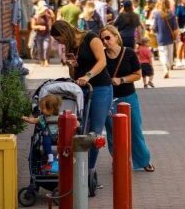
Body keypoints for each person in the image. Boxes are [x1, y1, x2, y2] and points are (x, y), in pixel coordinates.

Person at [50, 20, 112, 180]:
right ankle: (79, 169)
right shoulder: (71, 47)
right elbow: (73, 75)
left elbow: (102, 61)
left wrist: (88, 76)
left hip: (100, 88)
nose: (60, 43)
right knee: (80, 128)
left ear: (65, 32)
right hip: (81, 90)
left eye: (59, 39)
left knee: (94, 130)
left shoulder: (91, 38)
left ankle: (89, 170)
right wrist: (72, 66)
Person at [101, 25, 154, 172]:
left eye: (108, 37)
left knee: (135, 129)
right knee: (112, 132)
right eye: (102, 39)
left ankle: (143, 160)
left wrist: (122, 79)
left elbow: (138, 74)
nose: (105, 41)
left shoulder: (129, 53)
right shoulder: (101, 56)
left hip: (128, 96)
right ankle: (118, 161)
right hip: (109, 98)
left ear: (116, 37)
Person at [22, 94, 61, 173]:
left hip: (58, 136)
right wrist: (26, 119)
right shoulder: (42, 117)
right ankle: (50, 156)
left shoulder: (60, 117)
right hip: (48, 136)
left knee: (63, 140)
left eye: (44, 108)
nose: (42, 110)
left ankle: (59, 156)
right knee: (45, 139)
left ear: (52, 109)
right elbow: (34, 120)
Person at [153, 0, 180, 78]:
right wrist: (176, 37)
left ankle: (165, 68)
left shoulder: (157, 14)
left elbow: (155, 28)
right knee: (170, 55)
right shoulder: (171, 14)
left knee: (162, 54)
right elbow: (175, 28)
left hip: (160, 38)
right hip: (170, 38)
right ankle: (168, 66)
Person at [31, 0, 55, 67]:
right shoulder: (36, 17)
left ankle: (46, 60)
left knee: (45, 47)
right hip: (38, 35)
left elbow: (53, 19)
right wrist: (39, 26)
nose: (45, 11)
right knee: (39, 48)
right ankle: (41, 60)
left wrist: (51, 12)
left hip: (47, 34)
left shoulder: (48, 15)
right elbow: (32, 26)